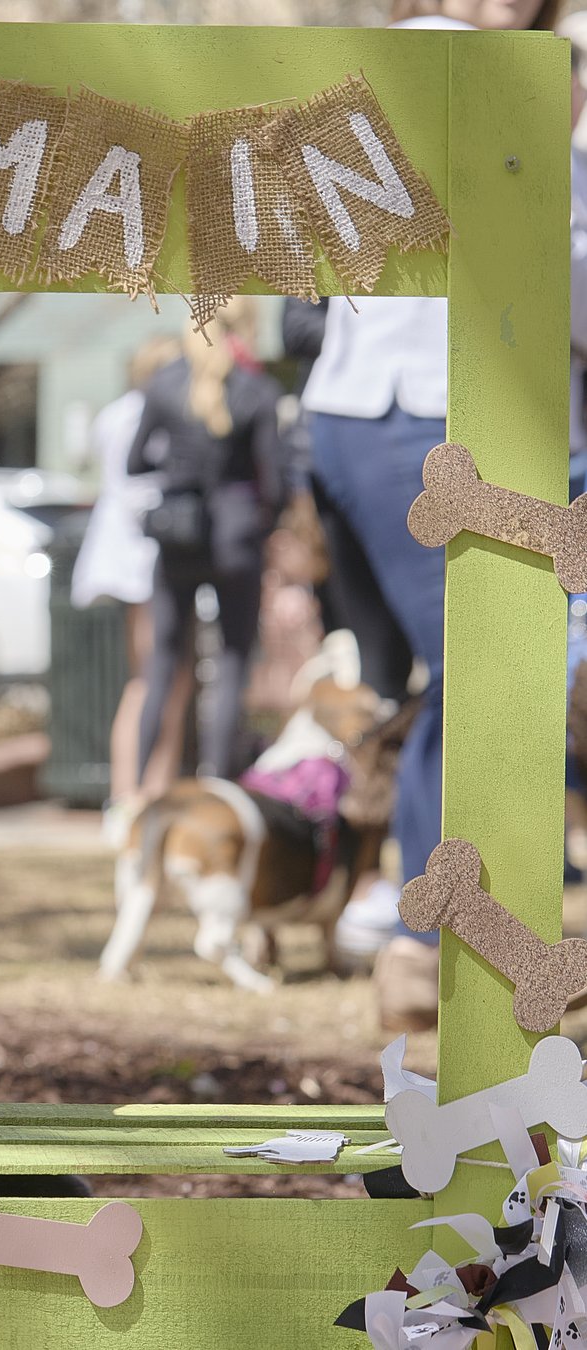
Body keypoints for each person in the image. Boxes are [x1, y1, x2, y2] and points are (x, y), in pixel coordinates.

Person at [307, 0, 558, 1030]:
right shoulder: (449, 59)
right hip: (422, 412)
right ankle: (427, 954)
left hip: (396, 416)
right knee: (482, 677)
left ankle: (425, 942)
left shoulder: (497, 62)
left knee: (463, 685)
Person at [127, 298, 282, 786]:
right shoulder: (257, 390)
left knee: (163, 667)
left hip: (180, 536)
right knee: (232, 664)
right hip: (236, 540)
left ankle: (131, 794)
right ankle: (216, 784)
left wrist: (176, 472)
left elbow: (134, 463)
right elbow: (276, 486)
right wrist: (260, 523)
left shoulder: (164, 383)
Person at [71, 335, 193, 831]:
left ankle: (141, 792)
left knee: (153, 677)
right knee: (161, 679)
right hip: (148, 555)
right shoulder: (160, 410)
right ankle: (141, 793)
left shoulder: (115, 413)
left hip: (125, 553)